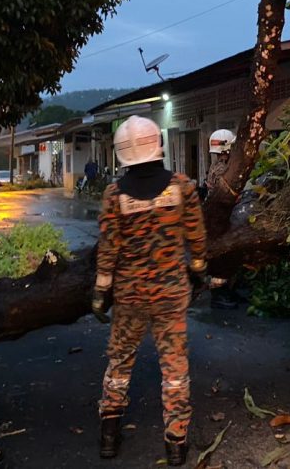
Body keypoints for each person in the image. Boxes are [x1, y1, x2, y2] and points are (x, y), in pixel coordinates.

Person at [92, 116, 210, 466]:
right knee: (174, 367)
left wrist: (101, 291)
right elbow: (197, 237)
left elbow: (108, 248)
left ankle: (109, 438)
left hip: (129, 297)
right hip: (171, 295)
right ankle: (176, 443)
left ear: (122, 152)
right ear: (157, 143)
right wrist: (199, 270)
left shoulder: (114, 195)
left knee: (119, 363)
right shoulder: (183, 187)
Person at [204, 129, 239, 310]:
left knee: (228, 256)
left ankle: (226, 290)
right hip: (221, 217)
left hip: (221, 216)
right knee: (222, 258)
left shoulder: (219, 166)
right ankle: (218, 295)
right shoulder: (222, 168)